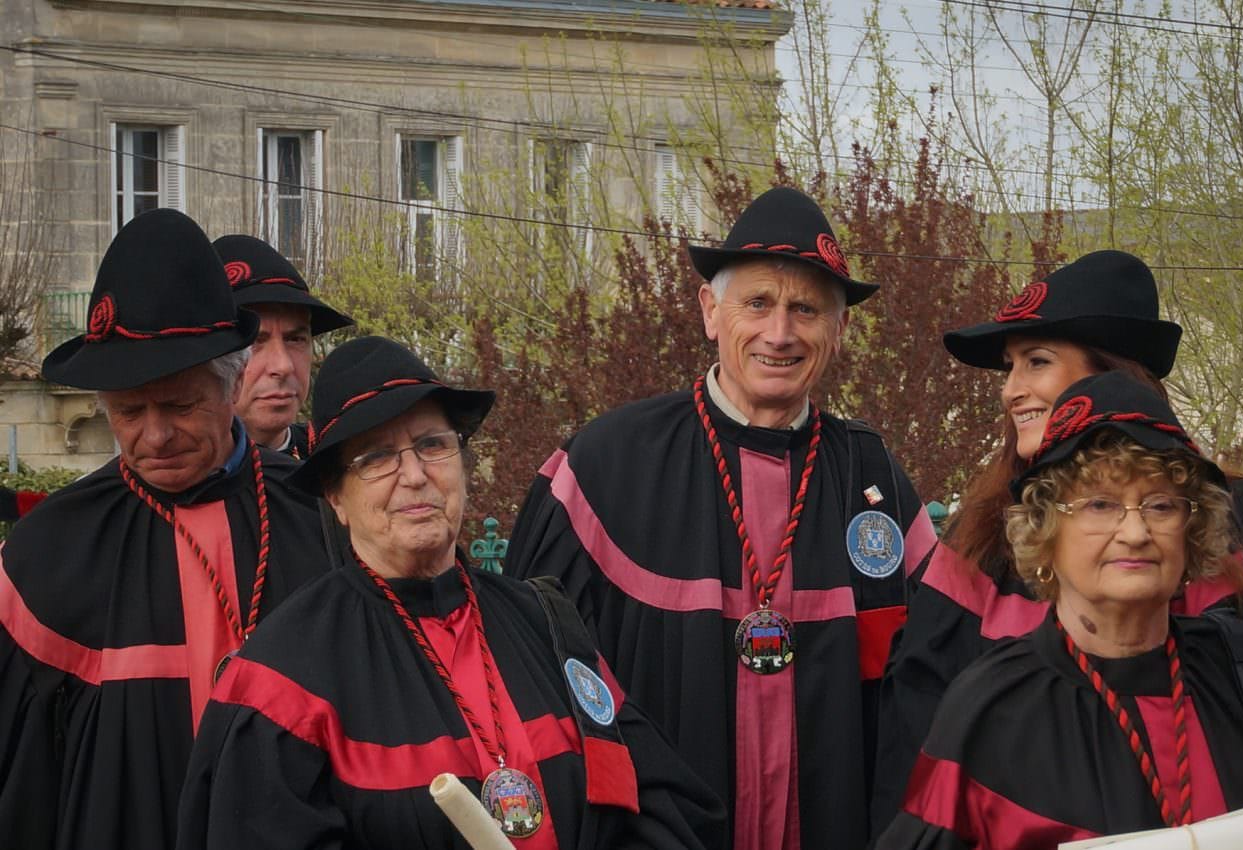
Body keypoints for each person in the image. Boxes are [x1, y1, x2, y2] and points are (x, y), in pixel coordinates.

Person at [506, 186, 937, 849]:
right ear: (710, 311)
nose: (780, 333)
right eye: (757, 303)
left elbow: (932, 688)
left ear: (840, 329)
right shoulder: (605, 465)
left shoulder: (874, 478)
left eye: (806, 309)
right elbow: (530, 681)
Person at [177, 335, 726, 850]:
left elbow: (655, 802)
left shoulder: (545, 623)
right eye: (376, 457)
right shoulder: (282, 679)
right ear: (336, 499)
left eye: (431, 444)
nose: (414, 474)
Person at [871, 250, 1243, 834]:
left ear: (1114, 375)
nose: (1012, 391)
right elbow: (916, 735)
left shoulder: (1230, 515)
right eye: (1009, 368)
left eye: (1036, 362)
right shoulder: (978, 541)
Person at [0, 209, 332, 850]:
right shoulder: (47, 555)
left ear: (231, 383)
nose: (154, 436)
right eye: (128, 411)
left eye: (180, 405)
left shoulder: (319, 516)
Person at [213, 234, 354, 458]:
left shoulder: (339, 462)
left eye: (295, 339)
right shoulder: (167, 481)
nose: (283, 365)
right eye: (255, 341)